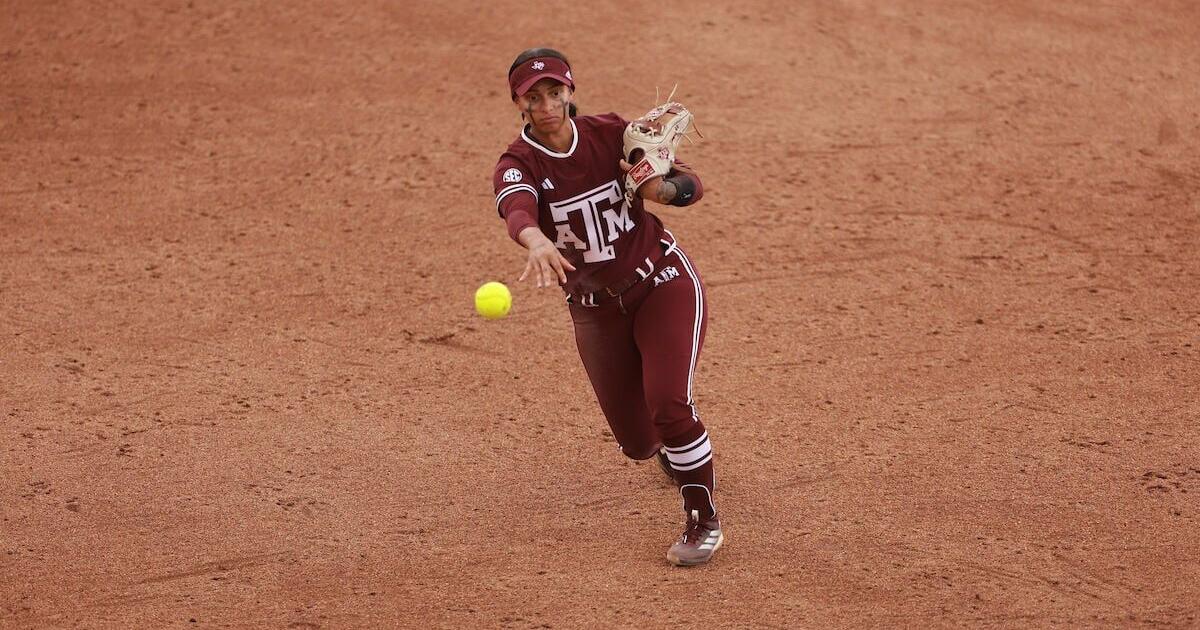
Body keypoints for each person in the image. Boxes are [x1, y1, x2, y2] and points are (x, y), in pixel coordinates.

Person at [491, 47, 722, 566]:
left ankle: (702, 520)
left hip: (661, 281)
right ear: (519, 104)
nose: (547, 105)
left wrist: (662, 188)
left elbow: (692, 186)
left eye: (555, 92)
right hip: (595, 310)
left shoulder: (612, 134)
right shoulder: (517, 163)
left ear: (570, 92)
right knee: (639, 442)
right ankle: (675, 449)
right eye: (534, 97)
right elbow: (516, 207)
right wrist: (535, 239)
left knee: (668, 404)